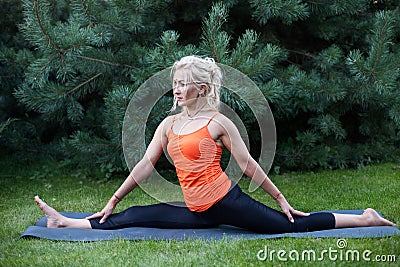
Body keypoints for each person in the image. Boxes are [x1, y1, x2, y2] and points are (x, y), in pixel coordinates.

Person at [34, 56, 395, 233]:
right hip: (197, 209)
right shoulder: (168, 124)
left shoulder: (218, 122)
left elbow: (249, 164)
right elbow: (145, 165)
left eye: (184, 83)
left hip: (225, 202)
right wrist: (113, 199)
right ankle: (66, 223)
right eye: (175, 82)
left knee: (289, 226)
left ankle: (364, 219)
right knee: (136, 215)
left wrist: (281, 199)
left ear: (201, 89)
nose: (176, 88)